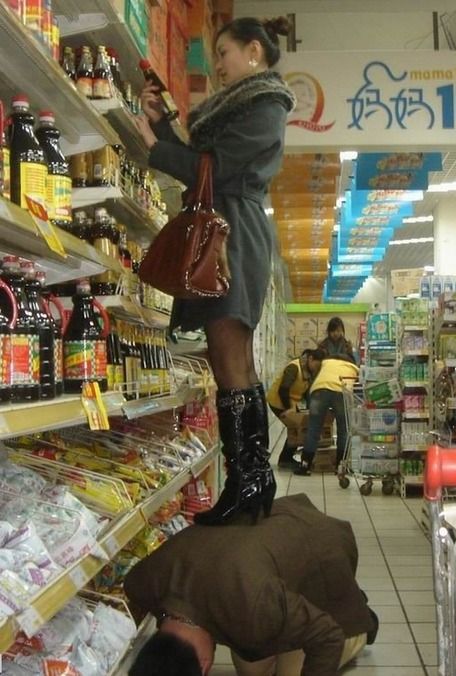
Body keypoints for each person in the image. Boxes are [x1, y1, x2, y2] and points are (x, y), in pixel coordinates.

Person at [136, 17, 296, 525]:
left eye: (224, 53)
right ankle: (252, 479)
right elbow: (206, 161)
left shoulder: (266, 105)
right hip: (227, 230)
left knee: (230, 359)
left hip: (232, 236)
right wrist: (163, 125)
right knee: (234, 361)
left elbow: (217, 169)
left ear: (254, 51)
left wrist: (155, 147)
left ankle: (247, 481)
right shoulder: (246, 106)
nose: (219, 65)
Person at [125, 493, 379, 676]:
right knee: (251, 668)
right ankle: (290, 613)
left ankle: (359, 622)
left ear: (204, 667)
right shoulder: (139, 583)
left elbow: (327, 635)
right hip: (261, 541)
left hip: (319, 543)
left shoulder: (251, 602)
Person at [294, 354, 359, 476]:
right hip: (341, 392)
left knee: (313, 428)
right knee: (343, 430)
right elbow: (357, 389)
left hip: (319, 391)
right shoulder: (354, 368)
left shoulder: (326, 362)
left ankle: (305, 465)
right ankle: (340, 467)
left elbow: (314, 378)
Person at [267, 349, 323, 468]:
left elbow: (307, 393)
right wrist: (289, 409)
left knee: (300, 427)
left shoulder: (308, 372)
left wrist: (311, 408)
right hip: (278, 401)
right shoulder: (294, 367)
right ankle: (285, 459)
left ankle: (285, 458)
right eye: (316, 365)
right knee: (296, 428)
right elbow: (283, 389)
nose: (316, 369)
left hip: (290, 402)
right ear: (310, 359)